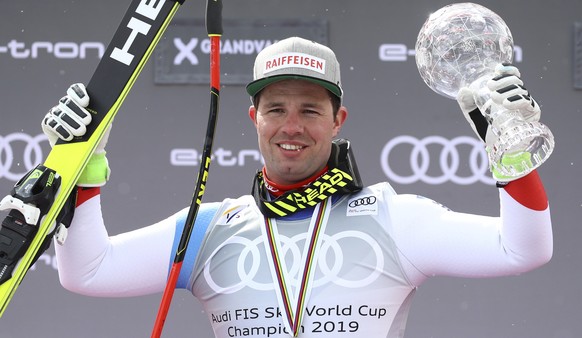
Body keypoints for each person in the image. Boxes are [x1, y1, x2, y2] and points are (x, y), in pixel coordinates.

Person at [42, 37, 552, 337]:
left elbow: (522, 250)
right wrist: (83, 166)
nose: (292, 126)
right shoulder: (209, 228)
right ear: (254, 119)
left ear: (338, 121)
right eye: (276, 110)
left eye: (310, 110)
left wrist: (511, 152)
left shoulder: (396, 218)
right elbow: (89, 271)